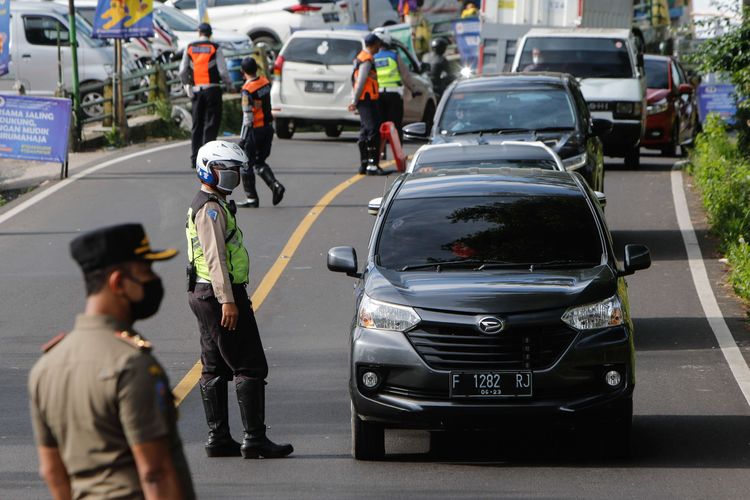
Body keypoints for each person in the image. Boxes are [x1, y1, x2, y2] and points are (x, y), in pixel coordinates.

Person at [28, 224, 195, 499]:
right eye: (145, 272)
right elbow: (155, 472)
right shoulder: (131, 364)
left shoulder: (45, 368)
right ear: (118, 283)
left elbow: (52, 471)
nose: (153, 280)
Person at [186, 140, 293, 459]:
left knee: (215, 365)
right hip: (219, 295)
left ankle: (218, 438)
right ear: (208, 169)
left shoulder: (211, 203)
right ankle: (255, 438)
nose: (232, 175)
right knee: (249, 365)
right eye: (226, 169)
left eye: (235, 170)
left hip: (203, 293)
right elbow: (216, 257)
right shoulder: (211, 209)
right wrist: (228, 300)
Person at [179, 22, 234, 170]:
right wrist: (230, 86)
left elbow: (183, 70)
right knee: (211, 124)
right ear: (210, 34)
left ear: (199, 33)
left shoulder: (190, 47)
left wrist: (187, 85)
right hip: (212, 90)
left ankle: (194, 158)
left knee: (197, 125)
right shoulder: (215, 48)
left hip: (197, 91)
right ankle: (207, 158)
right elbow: (223, 71)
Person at [236, 57, 285, 208]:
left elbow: (247, 117)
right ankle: (275, 186)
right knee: (259, 162)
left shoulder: (247, 90)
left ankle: (252, 199)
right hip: (268, 128)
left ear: (242, 72)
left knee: (246, 164)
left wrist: (242, 139)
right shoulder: (265, 82)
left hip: (254, 131)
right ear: (256, 69)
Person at [349, 32, 386, 175]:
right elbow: (360, 82)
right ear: (373, 45)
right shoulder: (366, 60)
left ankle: (364, 164)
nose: (379, 47)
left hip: (364, 99)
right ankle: (372, 165)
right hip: (367, 99)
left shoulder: (360, 58)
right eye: (378, 44)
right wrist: (354, 101)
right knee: (373, 130)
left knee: (365, 131)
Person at [374, 32, 418, 145]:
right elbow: (405, 75)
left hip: (378, 95)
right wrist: (413, 90)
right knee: (396, 124)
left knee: (380, 125)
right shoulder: (394, 56)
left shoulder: (374, 58)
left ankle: (381, 152)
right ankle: (398, 150)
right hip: (394, 94)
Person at [424, 37, 454, 102]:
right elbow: (449, 74)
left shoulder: (425, 56)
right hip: (436, 86)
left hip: (425, 84)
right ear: (442, 48)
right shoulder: (442, 59)